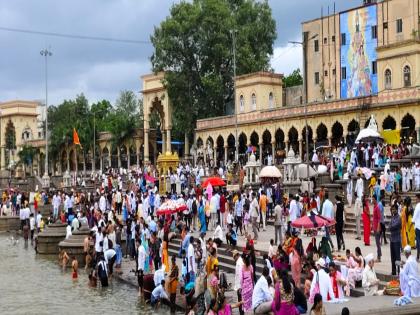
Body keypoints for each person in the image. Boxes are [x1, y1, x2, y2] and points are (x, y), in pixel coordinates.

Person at [389, 204, 402, 276]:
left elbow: (394, 226)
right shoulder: (392, 218)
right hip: (392, 239)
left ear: (397, 209)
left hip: (397, 240)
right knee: (392, 256)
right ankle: (393, 271)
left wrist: (391, 227)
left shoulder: (399, 218)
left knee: (397, 257)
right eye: (392, 209)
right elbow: (389, 226)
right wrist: (391, 227)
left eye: (394, 209)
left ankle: (399, 272)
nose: (393, 210)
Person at [233, 250, 244, 315]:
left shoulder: (239, 263)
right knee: (240, 300)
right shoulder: (240, 261)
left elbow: (240, 275)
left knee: (240, 300)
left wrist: (239, 287)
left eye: (234, 257)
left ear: (237, 255)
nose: (234, 259)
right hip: (240, 285)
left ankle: (241, 313)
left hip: (240, 286)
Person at [354, 174, 364, 240]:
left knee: (358, 224)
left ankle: (359, 236)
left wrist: (357, 213)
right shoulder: (357, 181)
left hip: (358, 214)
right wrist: (355, 190)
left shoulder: (361, 180)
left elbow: (359, 208)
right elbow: (356, 187)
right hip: (357, 214)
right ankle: (358, 235)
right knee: (357, 225)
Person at [372, 197, 382, 262]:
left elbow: (379, 218)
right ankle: (379, 255)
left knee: (378, 243)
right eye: (372, 199)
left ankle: (379, 257)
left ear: (375, 200)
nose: (372, 200)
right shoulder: (374, 207)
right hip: (375, 226)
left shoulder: (377, 207)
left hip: (377, 227)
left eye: (373, 199)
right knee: (377, 243)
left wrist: (378, 227)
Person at [412, 193, 420, 260]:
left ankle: (418, 256)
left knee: (418, 241)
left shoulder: (418, 206)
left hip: (418, 226)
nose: (416, 199)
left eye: (416, 198)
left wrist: (412, 221)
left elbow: (415, 215)